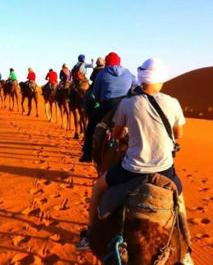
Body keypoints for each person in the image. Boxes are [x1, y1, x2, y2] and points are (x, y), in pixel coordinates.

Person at [76, 58, 188, 254]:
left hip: (131, 170)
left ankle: (90, 234)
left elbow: (118, 134)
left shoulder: (128, 104)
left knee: (98, 187)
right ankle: (187, 249)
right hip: (165, 170)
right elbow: (179, 135)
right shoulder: (173, 102)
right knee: (178, 199)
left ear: (142, 78)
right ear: (160, 79)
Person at [79, 52, 135, 162]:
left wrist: (96, 100)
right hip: (127, 105)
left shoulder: (102, 73)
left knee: (91, 126)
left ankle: (87, 153)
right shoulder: (128, 73)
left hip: (108, 105)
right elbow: (135, 87)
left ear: (107, 62)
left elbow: (95, 93)